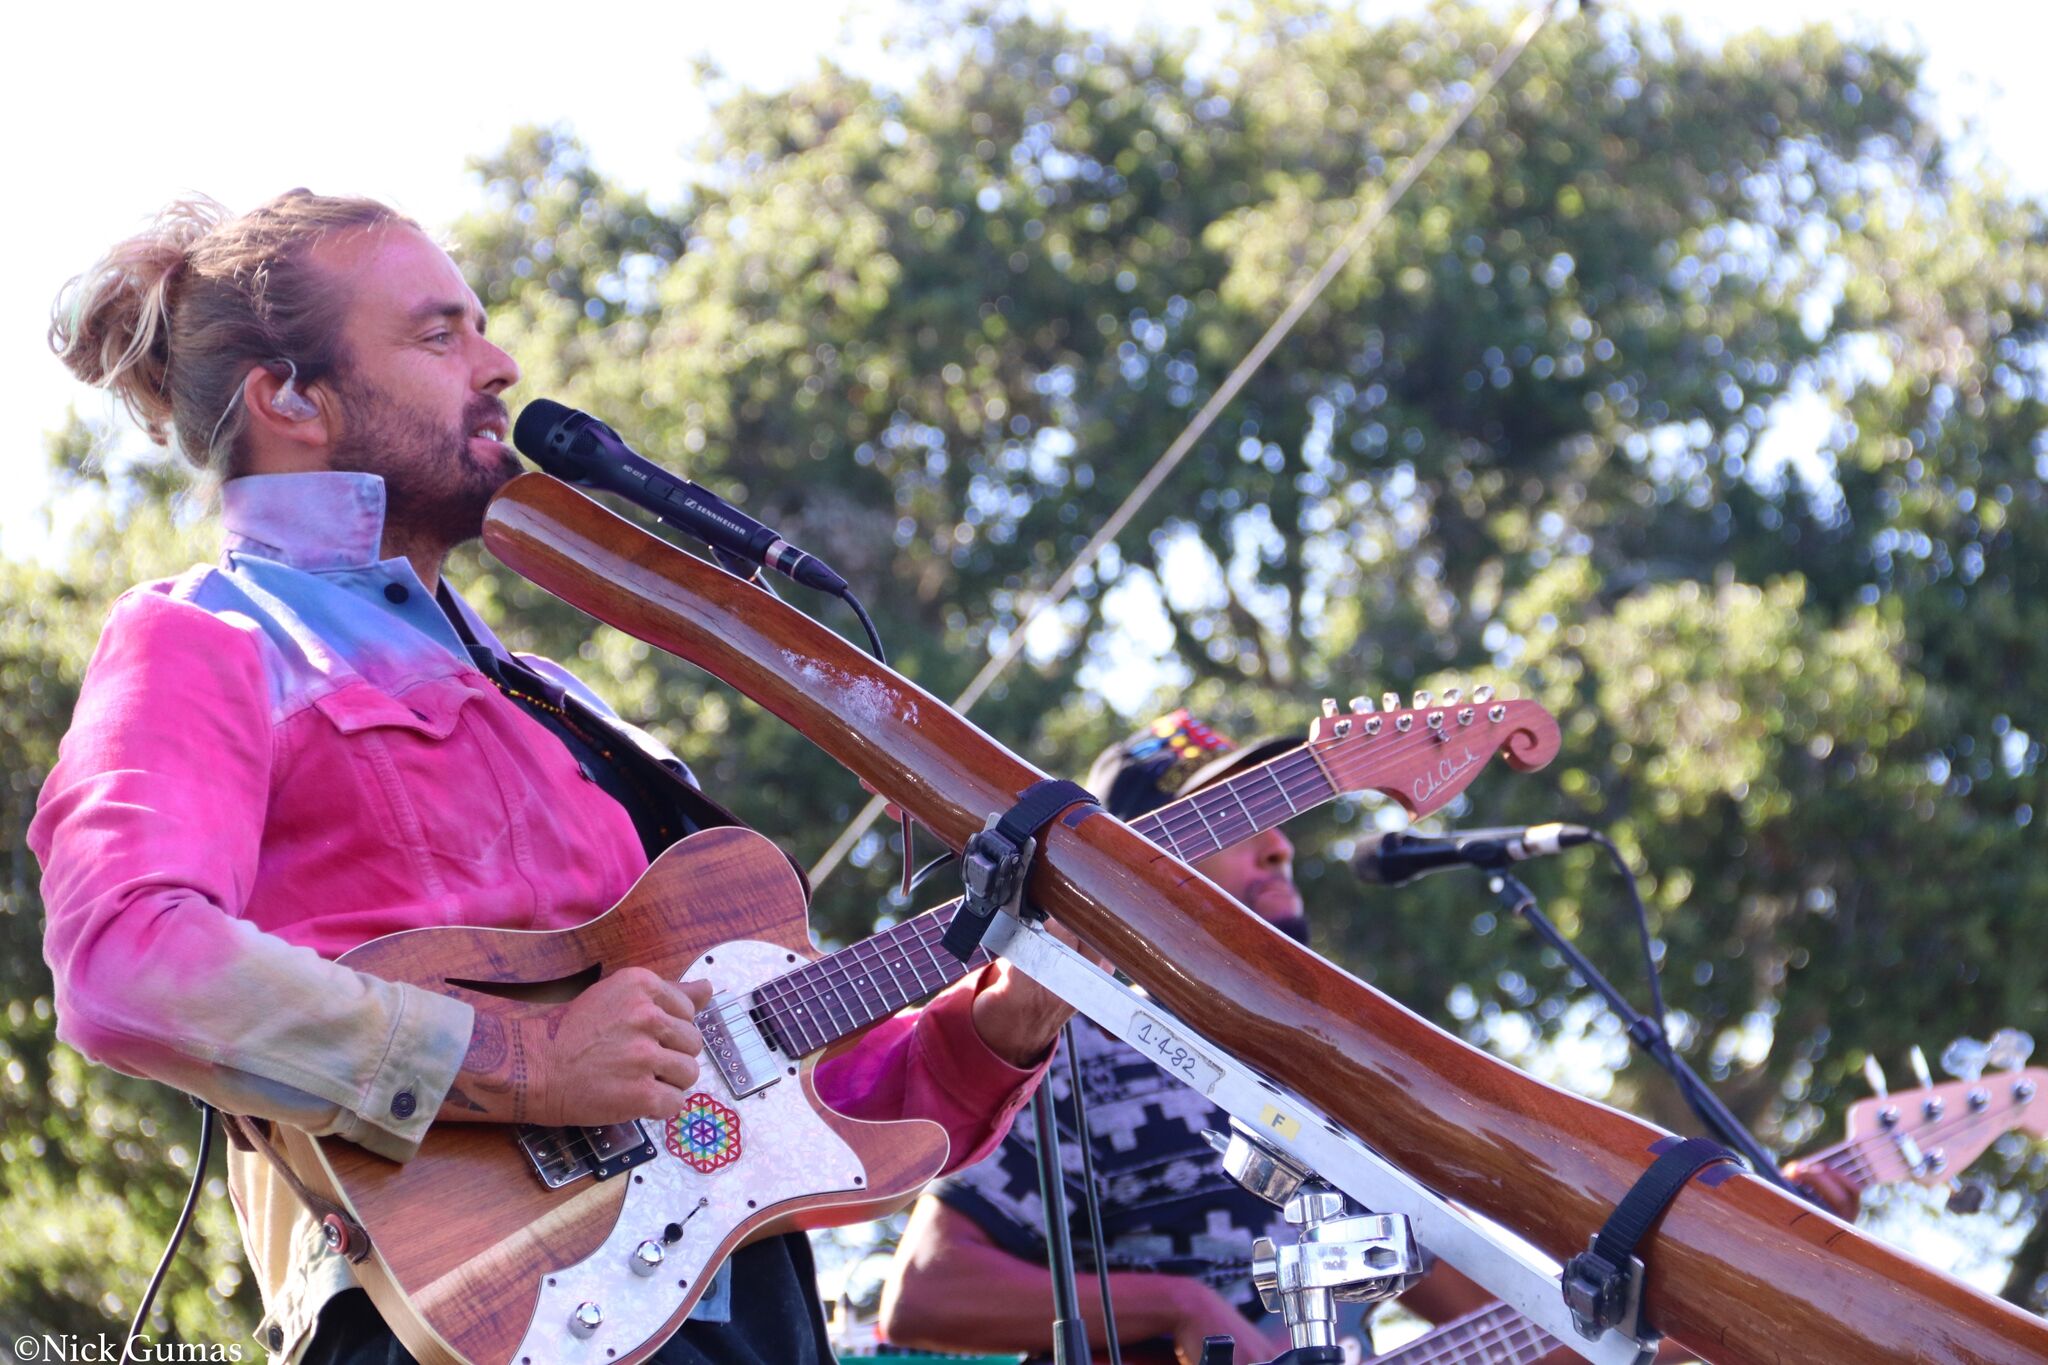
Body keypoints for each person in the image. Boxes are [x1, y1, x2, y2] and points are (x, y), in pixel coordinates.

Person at [33, 190, 1071, 1365]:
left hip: (737, 1314)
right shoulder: (206, 637)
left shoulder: (551, 699)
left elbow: (764, 1085)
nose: (500, 363)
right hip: (456, 1318)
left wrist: (994, 1028)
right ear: (290, 396)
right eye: (439, 335)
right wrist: (523, 1064)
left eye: (479, 326)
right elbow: (131, 968)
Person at [879, 710, 1501, 1365]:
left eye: (1277, 819)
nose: (1279, 847)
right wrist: (1178, 1305)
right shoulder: (1070, 1046)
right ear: (1147, 862)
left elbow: (1504, 1324)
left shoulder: (1343, 1078)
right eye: (1236, 821)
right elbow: (926, 1289)